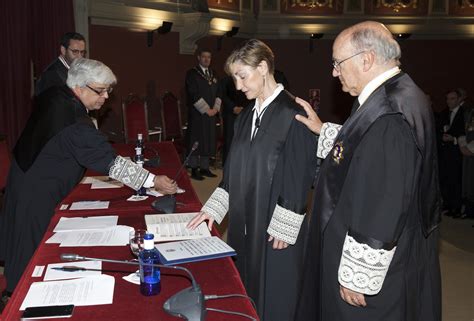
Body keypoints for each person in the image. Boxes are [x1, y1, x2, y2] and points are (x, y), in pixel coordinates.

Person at [294, 21, 441, 321]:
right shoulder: (395, 91)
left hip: (373, 261)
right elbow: (365, 149)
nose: (334, 72)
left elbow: (386, 197)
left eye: (338, 63)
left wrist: (358, 273)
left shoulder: (389, 114)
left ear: (367, 59)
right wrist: (323, 130)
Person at [0, 58, 177, 295]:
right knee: (31, 260)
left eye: (108, 90)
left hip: (25, 178)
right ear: (79, 87)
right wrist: (153, 181)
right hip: (36, 193)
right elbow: (109, 162)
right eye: (100, 90)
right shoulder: (73, 121)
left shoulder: (57, 95)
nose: (105, 97)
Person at [187, 39, 318, 321]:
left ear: (263, 67)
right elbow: (232, 171)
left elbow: (300, 173)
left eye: (242, 76)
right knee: (248, 286)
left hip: (276, 226)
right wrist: (214, 208)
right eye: (234, 78)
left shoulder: (292, 112)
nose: (238, 86)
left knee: (277, 295)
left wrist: (285, 225)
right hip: (246, 220)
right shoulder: (246, 116)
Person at [184, 49, 221, 180]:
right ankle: (194, 169)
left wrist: (216, 108)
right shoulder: (192, 74)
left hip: (211, 114)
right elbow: (193, 94)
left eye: (209, 57)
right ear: (199, 58)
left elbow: (219, 92)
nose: (206, 59)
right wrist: (206, 109)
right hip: (198, 114)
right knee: (197, 140)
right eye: (204, 57)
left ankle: (205, 168)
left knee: (208, 140)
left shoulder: (213, 73)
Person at [439, 89, 466, 217]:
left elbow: (465, 133)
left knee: (457, 180)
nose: (449, 101)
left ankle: (457, 207)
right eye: (448, 99)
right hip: (446, 152)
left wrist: (453, 139)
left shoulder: (465, 113)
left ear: (459, 99)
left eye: (453, 99)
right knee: (447, 178)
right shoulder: (445, 113)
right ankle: (449, 205)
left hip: (458, 152)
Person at [219, 75, 250, 165]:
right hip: (230, 114)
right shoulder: (225, 80)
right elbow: (223, 96)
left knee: (244, 141)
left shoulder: (247, 77)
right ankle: (227, 166)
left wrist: (244, 108)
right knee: (229, 142)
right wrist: (233, 107)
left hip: (245, 112)